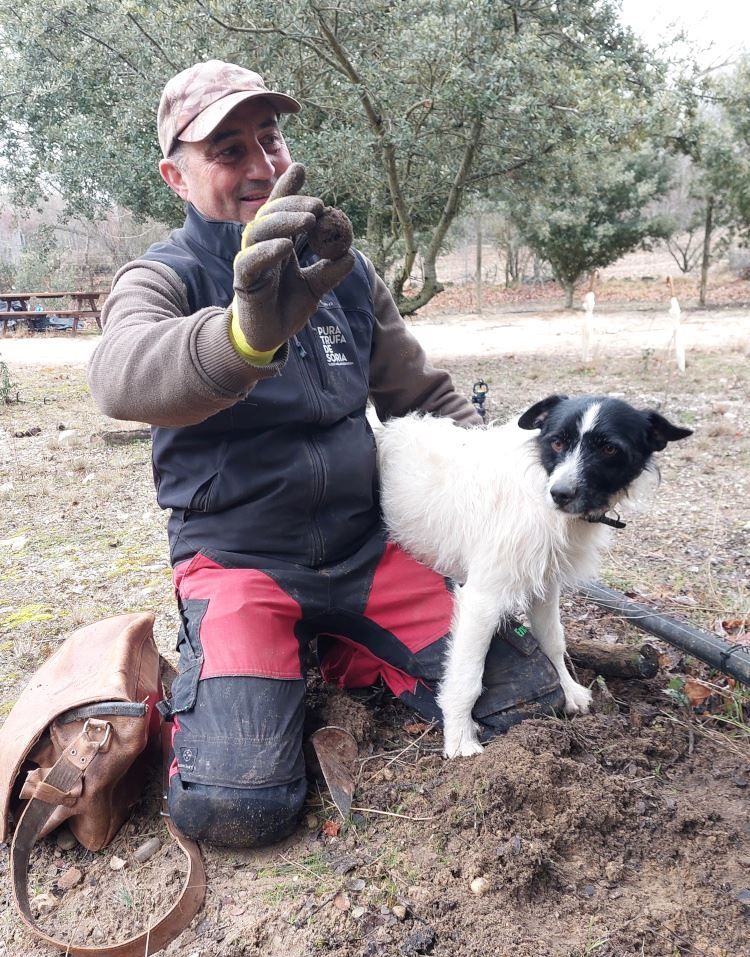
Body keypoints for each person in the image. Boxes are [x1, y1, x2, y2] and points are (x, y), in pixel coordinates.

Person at [87, 60, 564, 848]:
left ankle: (339, 646)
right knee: (236, 806)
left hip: (366, 546)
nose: (259, 165)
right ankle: (259, 660)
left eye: (269, 139)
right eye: (229, 149)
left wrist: (514, 471)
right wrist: (244, 336)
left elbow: (414, 391)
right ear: (176, 175)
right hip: (241, 560)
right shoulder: (163, 275)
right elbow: (119, 375)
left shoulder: (341, 267)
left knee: (524, 704)